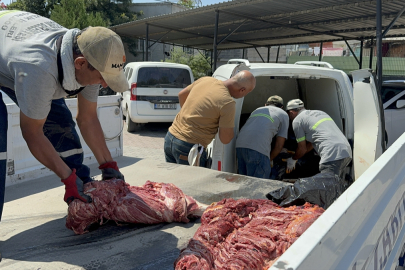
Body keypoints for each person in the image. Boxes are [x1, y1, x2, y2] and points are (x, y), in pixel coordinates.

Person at [0, 11, 128, 221]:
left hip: (17, 51)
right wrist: (67, 178)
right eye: (103, 78)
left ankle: (87, 203)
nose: (105, 84)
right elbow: (32, 133)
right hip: (20, 59)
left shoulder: (92, 55)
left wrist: (108, 165)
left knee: (62, 129)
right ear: (79, 63)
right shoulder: (39, 68)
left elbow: (87, 118)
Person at [164, 70, 256, 166]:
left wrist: (191, 116)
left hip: (170, 138)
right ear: (242, 90)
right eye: (247, 93)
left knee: (173, 179)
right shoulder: (227, 103)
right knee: (193, 181)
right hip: (189, 147)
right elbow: (225, 139)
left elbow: (181, 94)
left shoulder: (206, 80)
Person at [285, 99, 352, 179]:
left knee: (327, 185)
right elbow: (311, 143)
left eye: (289, 114)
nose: (290, 117)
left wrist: (293, 159)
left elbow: (302, 149)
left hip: (331, 153)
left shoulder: (297, 121)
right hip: (346, 150)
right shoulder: (320, 113)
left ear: (291, 112)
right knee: (336, 184)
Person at [235, 95, 289, 179]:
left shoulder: (257, 110)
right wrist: (270, 159)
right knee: (258, 185)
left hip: (240, 146)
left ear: (265, 105)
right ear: (281, 107)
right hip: (258, 149)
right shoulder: (283, 114)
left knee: (244, 181)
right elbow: (279, 145)